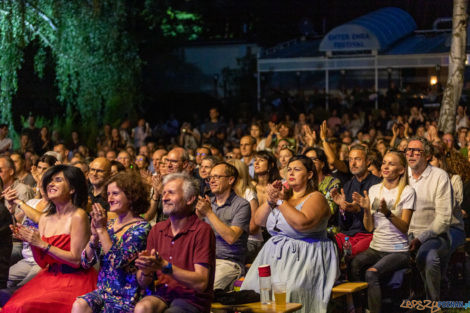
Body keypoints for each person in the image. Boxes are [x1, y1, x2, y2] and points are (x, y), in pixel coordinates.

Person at [241, 155, 338, 313]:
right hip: (273, 255)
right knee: (254, 290)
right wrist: (270, 200)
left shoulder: (316, 197)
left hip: (306, 255)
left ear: (309, 174)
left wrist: (280, 201)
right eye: (289, 170)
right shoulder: (284, 197)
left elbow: (302, 223)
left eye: (297, 169)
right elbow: (258, 221)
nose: (291, 173)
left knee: (290, 292)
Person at [2, 165, 98, 313]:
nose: (51, 184)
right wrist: (32, 242)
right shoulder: (45, 219)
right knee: (12, 306)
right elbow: (43, 263)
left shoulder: (78, 216)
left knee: (21, 307)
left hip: (74, 279)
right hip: (50, 276)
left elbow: (76, 260)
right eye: (50, 181)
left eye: (58, 180)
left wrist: (41, 243)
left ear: (72, 189)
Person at [134, 173, 216, 313]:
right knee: (142, 307)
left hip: (192, 299)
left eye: (171, 193)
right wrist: (146, 271)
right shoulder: (157, 230)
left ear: (190, 199)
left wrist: (166, 266)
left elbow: (201, 282)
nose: (164, 198)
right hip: (163, 295)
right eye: (164, 193)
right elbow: (143, 282)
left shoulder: (202, 230)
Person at [72, 172, 151, 313]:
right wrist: (94, 237)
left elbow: (118, 261)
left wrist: (101, 230)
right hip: (103, 292)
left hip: (126, 296)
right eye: (108, 194)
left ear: (131, 196)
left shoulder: (141, 228)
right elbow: (85, 262)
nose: (109, 199)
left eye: (115, 193)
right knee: (80, 304)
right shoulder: (109, 224)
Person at [350, 150, 416, 313]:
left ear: (401, 170)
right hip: (376, 248)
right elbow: (370, 228)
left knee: (372, 273)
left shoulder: (407, 192)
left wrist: (387, 213)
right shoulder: (374, 190)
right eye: (384, 163)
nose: (385, 167)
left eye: (391, 164)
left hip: (398, 250)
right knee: (354, 264)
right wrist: (366, 210)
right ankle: (360, 308)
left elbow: (404, 227)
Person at [406, 137, 461, 301]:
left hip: (435, 235)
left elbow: (443, 219)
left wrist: (420, 238)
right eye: (409, 150)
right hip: (405, 234)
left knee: (428, 257)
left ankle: (433, 304)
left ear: (428, 156)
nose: (411, 154)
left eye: (417, 151)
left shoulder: (439, 176)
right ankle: (407, 299)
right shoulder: (403, 175)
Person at [195, 162, 251, 290]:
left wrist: (208, 213)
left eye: (217, 177)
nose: (211, 181)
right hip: (204, 261)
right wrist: (198, 216)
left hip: (229, 263)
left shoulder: (241, 205)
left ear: (230, 180)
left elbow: (231, 237)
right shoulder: (207, 203)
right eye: (210, 178)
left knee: (204, 289)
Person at [331, 145, 382, 257]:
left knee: (351, 253)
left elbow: (379, 219)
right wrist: (343, 209)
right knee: (327, 246)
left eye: (357, 159)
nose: (353, 164)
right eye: (350, 160)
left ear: (368, 162)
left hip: (369, 235)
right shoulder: (347, 186)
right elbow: (344, 226)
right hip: (349, 234)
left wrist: (359, 210)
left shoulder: (379, 185)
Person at [227, 159, 261, 264]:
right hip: (233, 240)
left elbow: (253, 228)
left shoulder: (248, 193)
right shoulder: (226, 194)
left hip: (250, 241)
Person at [304, 147, 341, 235]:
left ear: (322, 164)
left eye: (313, 159)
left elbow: (329, 211)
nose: (309, 162)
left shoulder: (332, 183)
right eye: (306, 160)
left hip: (327, 231)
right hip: (304, 228)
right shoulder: (302, 183)